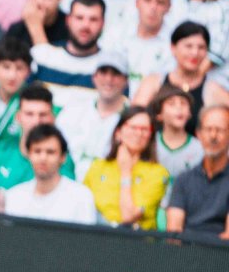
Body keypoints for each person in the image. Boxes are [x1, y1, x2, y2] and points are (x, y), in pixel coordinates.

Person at [84, 106, 170, 229]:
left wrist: (126, 173)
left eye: (145, 129)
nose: (138, 133)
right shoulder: (98, 166)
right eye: (133, 127)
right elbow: (83, 207)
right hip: (97, 234)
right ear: (118, 132)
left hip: (136, 238)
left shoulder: (158, 173)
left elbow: (128, 217)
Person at [55, 49, 130, 179]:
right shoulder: (72, 110)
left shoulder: (132, 118)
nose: (109, 80)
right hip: (68, 182)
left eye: (115, 74)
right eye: (103, 72)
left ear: (126, 80)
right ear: (94, 77)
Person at [0, 83, 76, 188]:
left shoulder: (61, 160)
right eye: (29, 114)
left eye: (43, 115)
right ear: (18, 117)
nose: (36, 121)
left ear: (53, 118)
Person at [5, 123, 99, 224]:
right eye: (37, 151)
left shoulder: (81, 197)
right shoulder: (14, 197)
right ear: (29, 155)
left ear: (63, 157)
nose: (43, 158)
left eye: (50, 152)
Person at [28, 0, 107, 110]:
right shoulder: (42, 55)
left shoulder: (110, 67)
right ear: (68, 20)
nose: (85, 25)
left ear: (103, 24)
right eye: (79, 18)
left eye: (93, 19)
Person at [103, 0, 175, 96]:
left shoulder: (174, 43)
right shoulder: (116, 33)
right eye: (147, 0)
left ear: (168, 7)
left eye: (160, 2)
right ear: (137, 3)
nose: (153, 7)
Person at [167, 105, 229, 239]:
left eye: (220, 130)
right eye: (208, 129)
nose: (213, 136)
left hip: (221, 250)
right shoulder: (183, 180)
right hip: (184, 249)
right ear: (198, 134)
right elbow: (173, 232)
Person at [134, 21, 212, 117]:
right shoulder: (154, 83)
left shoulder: (213, 89)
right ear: (173, 47)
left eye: (201, 47)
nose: (195, 53)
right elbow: (133, 117)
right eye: (188, 46)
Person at [151, 84, 205, 177]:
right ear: (159, 114)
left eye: (183, 103)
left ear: (190, 113)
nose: (179, 108)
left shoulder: (200, 149)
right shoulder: (149, 144)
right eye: (171, 104)